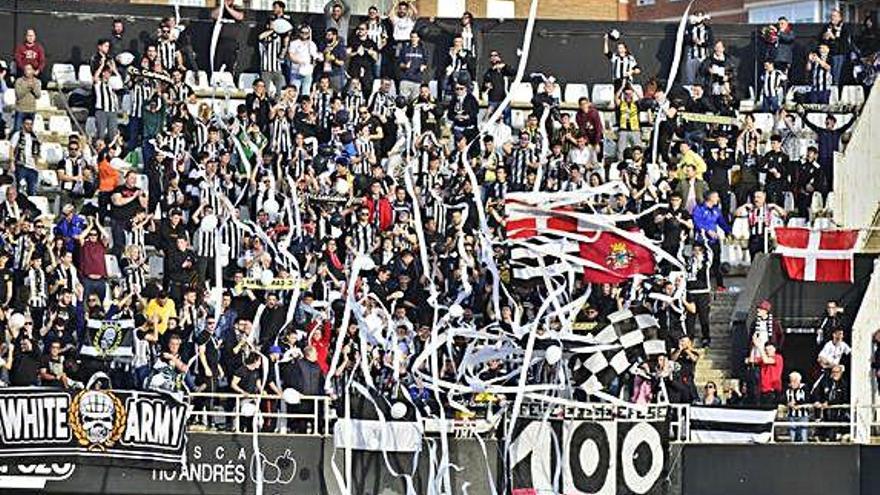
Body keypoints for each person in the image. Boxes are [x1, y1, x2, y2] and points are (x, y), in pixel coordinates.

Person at [692, 191, 731, 290]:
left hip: (714, 241)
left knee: (717, 262)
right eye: (716, 197)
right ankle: (702, 284)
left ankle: (719, 285)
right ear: (710, 198)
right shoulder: (699, 209)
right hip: (702, 241)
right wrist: (707, 230)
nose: (718, 199)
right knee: (702, 263)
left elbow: (721, 222)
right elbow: (696, 222)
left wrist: (729, 232)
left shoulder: (716, 210)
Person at [819, 9, 851, 86]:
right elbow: (820, 39)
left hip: (839, 54)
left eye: (835, 16)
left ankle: (836, 89)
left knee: (837, 75)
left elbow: (844, 42)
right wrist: (824, 37)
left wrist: (833, 37)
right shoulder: (828, 26)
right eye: (832, 16)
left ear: (840, 18)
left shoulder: (844, 27)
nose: (832, 18)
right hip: (828, 54)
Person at [397, 31, 427, 101]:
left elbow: (425, 63)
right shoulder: (405, 49)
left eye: (415, 37)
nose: (413, 39)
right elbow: (399, 63)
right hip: (405, 79)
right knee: (403, 101)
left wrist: (423, 67)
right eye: (412, 37)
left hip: (417, 80)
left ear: (418, 38)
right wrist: (405, 66)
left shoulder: (422, 50)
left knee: (414, 103)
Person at [13, 63, 41, 133]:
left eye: (28, 69)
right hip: (20, 109)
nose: (26, 71)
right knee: (17, 130)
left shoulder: (36, 82)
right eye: (25, 69)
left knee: (29, 131)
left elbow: (38, 95)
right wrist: (28, 87)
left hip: (31, 110)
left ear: (32, 71)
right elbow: (19, 95)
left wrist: (33, 87)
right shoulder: (19, 81)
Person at [785, 371, 811, 442]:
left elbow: (808, 400)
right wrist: (788, 403)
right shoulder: (788, 389)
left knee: (803, 435)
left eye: (794, 381)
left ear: (799, 381)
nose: (792, 383)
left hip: (803, 415)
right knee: (792, 437)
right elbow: (783, 399)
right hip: (791, 415)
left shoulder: (805, 388)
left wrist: (797, 403)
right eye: (791, 380)